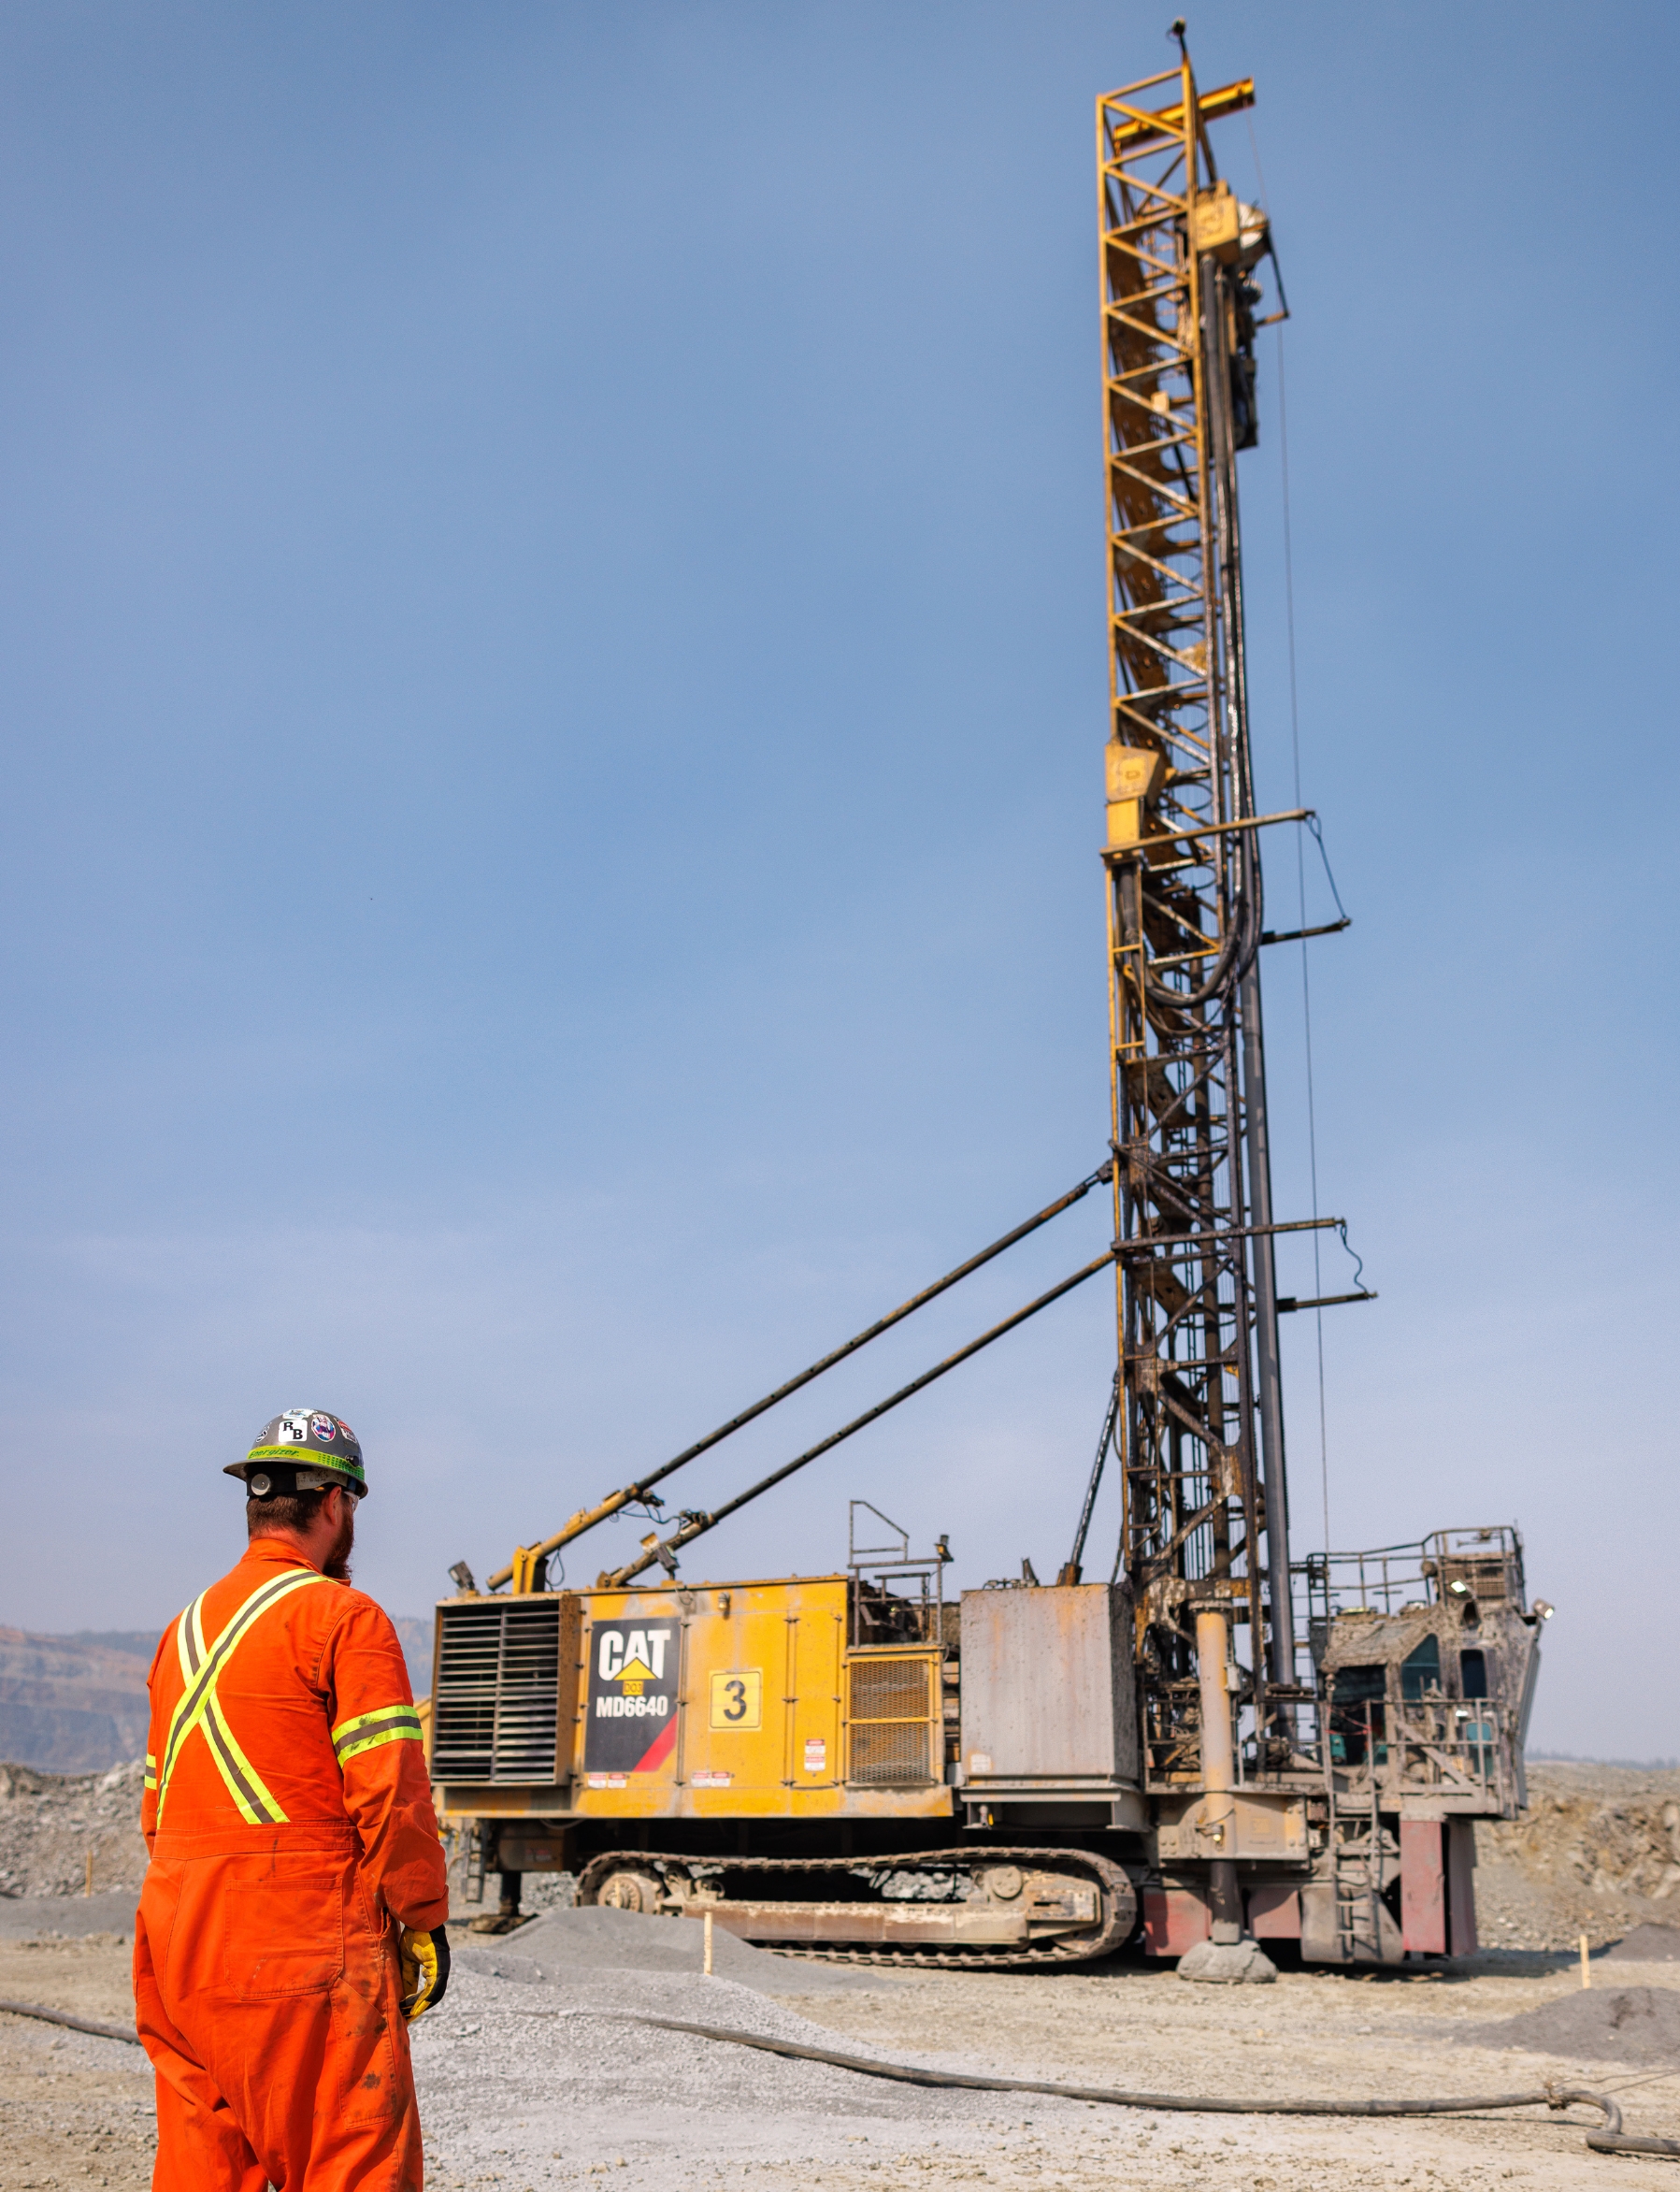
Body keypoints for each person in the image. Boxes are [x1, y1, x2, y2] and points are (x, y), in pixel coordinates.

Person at [133, 1409, 451, 2191]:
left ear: (256, 1501)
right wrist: (421, 1916)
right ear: (336, 1504)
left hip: (177, 1936)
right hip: (301, 1939)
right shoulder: (344, 1619)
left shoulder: (181, 1634)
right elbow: (388, 1792)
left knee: (204, 2168)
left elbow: (156, 1808)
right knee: (349, 2161)